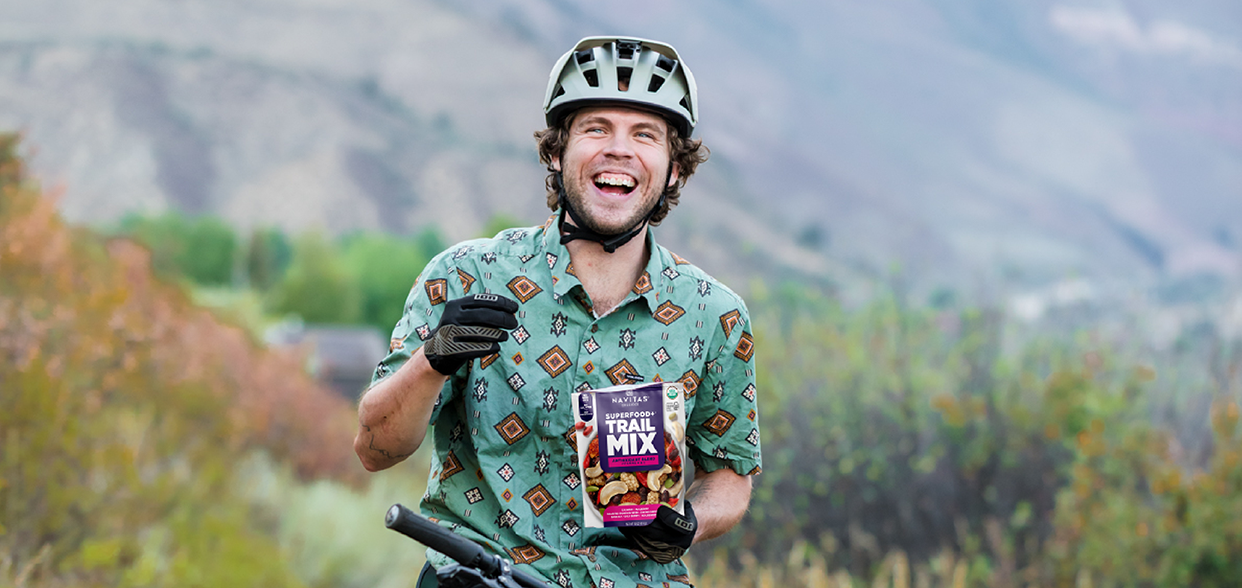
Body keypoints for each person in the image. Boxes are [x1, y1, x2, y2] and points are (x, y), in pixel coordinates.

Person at [356, 36, 762, 588]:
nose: (619, 149)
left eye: (645, 135)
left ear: (673, 170)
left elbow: (730, 478)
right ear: (556, 151)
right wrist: (431, 363)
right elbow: (375, 449)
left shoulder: (714, 315)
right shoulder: (467, 275)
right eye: (597, 127)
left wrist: (690, 522)